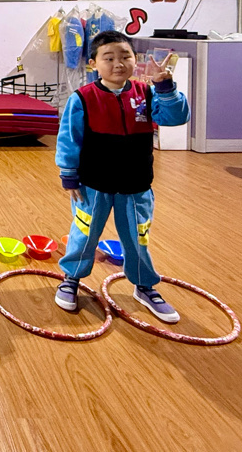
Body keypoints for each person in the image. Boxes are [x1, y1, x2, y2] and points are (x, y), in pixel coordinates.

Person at [54, 31, 189, 323]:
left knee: (138, 239)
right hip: (93, 186)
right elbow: (69, 139)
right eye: (109, 58)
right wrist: (69, 175)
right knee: (84, 235)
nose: (118, 63)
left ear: (135, 60)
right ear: (93, 63)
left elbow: (175, 118)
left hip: (136, 186)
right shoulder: (83, 98)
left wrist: (164, 86)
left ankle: (144, 286)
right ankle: (71, 279)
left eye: (125, 56)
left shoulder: (147, 93)